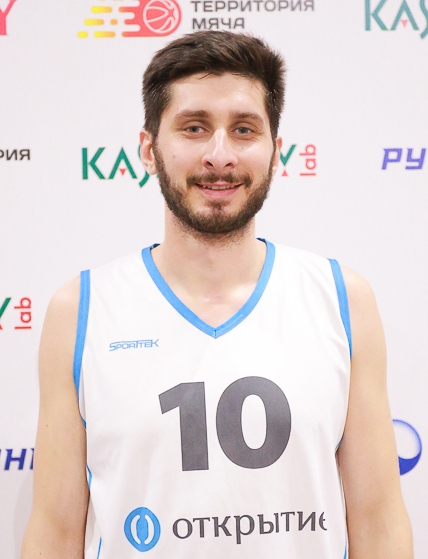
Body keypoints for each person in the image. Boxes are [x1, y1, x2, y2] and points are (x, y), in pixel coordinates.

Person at [22, 31, 413, 559]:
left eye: (244, 129)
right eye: (194, 127)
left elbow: (379, 522)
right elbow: (53, 533)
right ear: (149, 150)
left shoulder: (342, 299)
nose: (220, 154)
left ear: (275, 152)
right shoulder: (80, 310)